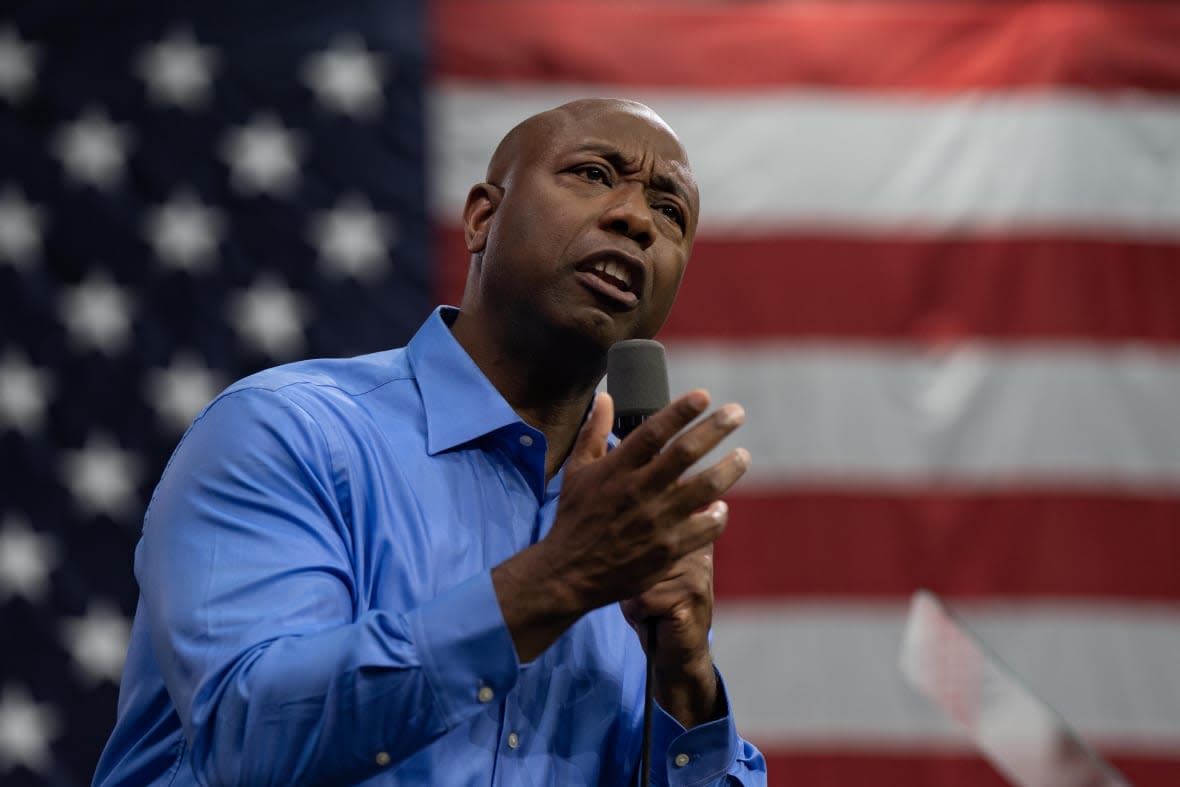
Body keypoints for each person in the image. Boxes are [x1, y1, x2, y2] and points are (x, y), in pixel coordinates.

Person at [94, 98, 767, 786]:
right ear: (482, 218)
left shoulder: (632, 528)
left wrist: (684, 681)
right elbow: (246, 736)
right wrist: (558, 579)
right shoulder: (288, 431)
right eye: (594, 174)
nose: (636, 219)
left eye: (670, 211)